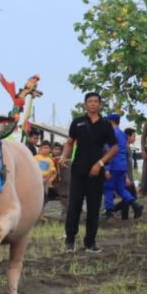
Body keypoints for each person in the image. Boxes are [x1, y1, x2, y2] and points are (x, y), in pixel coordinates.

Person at [60, 92, 118, 253]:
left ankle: (90, 243)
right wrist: (64, 156)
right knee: (74, 206)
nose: (92, 104)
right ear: (85, 104)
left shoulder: (106, 124)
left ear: (100, 105)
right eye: (89, 101)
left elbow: (114, 148)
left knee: (93, 207)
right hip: (78, 169)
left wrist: (100, 164)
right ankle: (69, 242)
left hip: (96, 172)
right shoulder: (77, 122)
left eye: (95, 101)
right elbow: (70, 142)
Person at [102, 113, 140, 220]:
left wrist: (107, 168)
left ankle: (109, 212)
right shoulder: (123, 134)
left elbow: (109, 151)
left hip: (113, 164)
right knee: (120, 188)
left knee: (108, 188)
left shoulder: (111, 134)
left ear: (110, 122)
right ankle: (135, 205)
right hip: (122, 165)